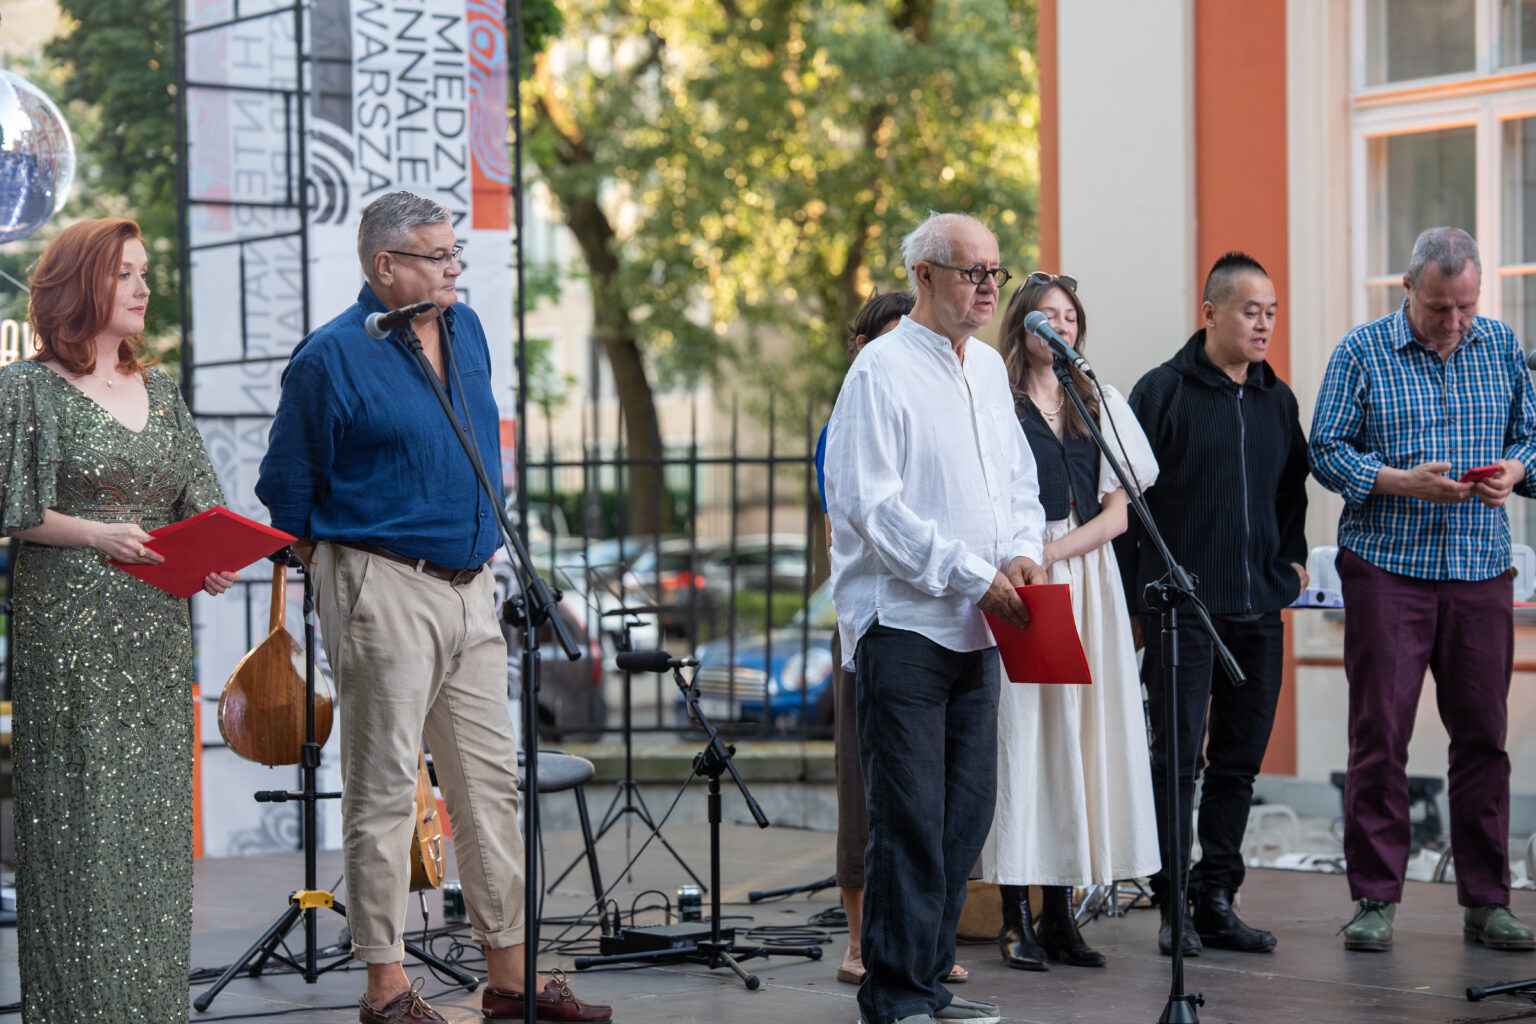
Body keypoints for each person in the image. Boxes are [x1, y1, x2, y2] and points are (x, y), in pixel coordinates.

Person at [256, 191, 611, 1024]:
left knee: (492, 788)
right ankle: (386, 990)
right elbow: (286, 493)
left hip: (472, 587)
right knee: (384, 792)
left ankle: (511, 982)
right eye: (438, 256)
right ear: (386, 267)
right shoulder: (329, 359)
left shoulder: (467, 329)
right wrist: (348, 576)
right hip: (384, 584)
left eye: (457, 253)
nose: (456, 268)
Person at [0, 217, 239, 1023]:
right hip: (67, 630)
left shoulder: (163, 390)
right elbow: (14, 509)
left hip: (153, 631)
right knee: (79, 830)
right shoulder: (25, 388)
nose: (143, 288)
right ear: (81, 286)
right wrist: (97, 533)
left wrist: (214, 557)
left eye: (145, 272)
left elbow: (199, 501)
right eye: (126, 274)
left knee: (152, 828)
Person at [824, 211, 1047, 1024]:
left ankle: (925, 978)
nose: (990, 286)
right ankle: (893, 994)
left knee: (964, 815)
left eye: (995, 271)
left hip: (983, 626)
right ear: (924, 276)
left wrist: (1022, 552)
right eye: (971, 271)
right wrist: (968, 573)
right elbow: (870, 507)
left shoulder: (988, 368)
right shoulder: (879, 372)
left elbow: (1017, 484)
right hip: (907, 626)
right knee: (910, 818)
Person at [1309, 226, 1536, 954]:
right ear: (1408, 290)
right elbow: (1326, 447)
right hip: (1386, 568)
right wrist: (1398, 481)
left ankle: (1487, 900)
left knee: (1483, 739)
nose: (1454, 322)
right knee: (1380, 736)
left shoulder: (1501, 346)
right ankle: (1375, 898)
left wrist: (1516, 472)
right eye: (1440, 307)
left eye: (1466, 305)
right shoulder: (1360, 351)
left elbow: (1530, 434)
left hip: (1480, 567)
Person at [1119, 251, 1310, 958]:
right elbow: (1128, 507)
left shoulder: (1276, 399)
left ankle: (1218, 897)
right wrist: (1136, 605)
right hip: (1181, 612)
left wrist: (1287, 564)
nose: (1262, 325)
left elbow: (1293, 490)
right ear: (1210, 314)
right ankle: (1173, 908)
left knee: (1239, 763)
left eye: (1270, 313)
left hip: (1259, 609)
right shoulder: (1160, 394)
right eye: (1248, 311)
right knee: (1176, 762)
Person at [980, 272, 1161, 970]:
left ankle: (1061, 914)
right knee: (1025, 739)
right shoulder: (995, 399)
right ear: (1022, 325)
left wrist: (1057, 551)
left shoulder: (1096, 399)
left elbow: (1118, 512)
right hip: (1023, 581)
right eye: (1047, 316)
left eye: (1071, 318)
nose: (1062, 327)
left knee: (1079, 740)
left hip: (1085, 580)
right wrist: (1035, 559)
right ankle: (1012, 915)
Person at [817, 290, 965, 987]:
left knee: (937, 794)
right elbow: (847, 527)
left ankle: (924, 940)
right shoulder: (858, 405)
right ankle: (859, 941)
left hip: (944, 620)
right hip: (874, 624)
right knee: (867, 790)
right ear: (861, 346)